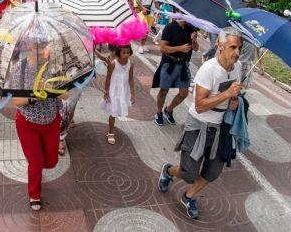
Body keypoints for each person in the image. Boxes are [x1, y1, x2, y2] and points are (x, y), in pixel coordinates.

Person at [158, 28, 243, 220]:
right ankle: (168, 170)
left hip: (222, 128)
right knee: (188, 173)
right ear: (219, 46)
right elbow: (200, 105)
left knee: (212, 172)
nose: (237, 53)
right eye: (232, 47)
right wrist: (227, 94)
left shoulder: (237, 68)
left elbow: (229, 97)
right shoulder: (208, 70)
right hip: (199, 125)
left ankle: (189, 197)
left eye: (239, 47)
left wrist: (233, 101)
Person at [12, 94, 67, 211]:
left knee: (51, 162)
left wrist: (50, 89)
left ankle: (37, 161)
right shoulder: (21, 74)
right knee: (36, 163)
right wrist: (35, 96)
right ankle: (34, 194)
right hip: (27, 123)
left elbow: (66, 95)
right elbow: (16, 100)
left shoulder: (55, 74)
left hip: (51, 121)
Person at [152, 19, 199, 126]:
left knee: (184, 93)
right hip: (169, 63)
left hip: (184, 65)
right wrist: (180, 48)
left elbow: (196, 49)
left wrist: (194, 41)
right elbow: (162, 47)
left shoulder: (191, 28)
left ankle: (168, 110)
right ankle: (158, 112)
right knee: (164, 90)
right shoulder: (169, 27)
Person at [101, 45, 137, 145]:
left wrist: (133, 94)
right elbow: (108, 78)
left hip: (123, 91)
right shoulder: (113, 64)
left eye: (128, 52)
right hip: (114, 91)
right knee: (113, 112)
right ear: (118, 53)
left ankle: (111, 128)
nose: (126, 55)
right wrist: (106, 91)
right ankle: (110, 132)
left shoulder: (131, 64)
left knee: (117, 110)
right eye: (123, 53)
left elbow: (131, 79)